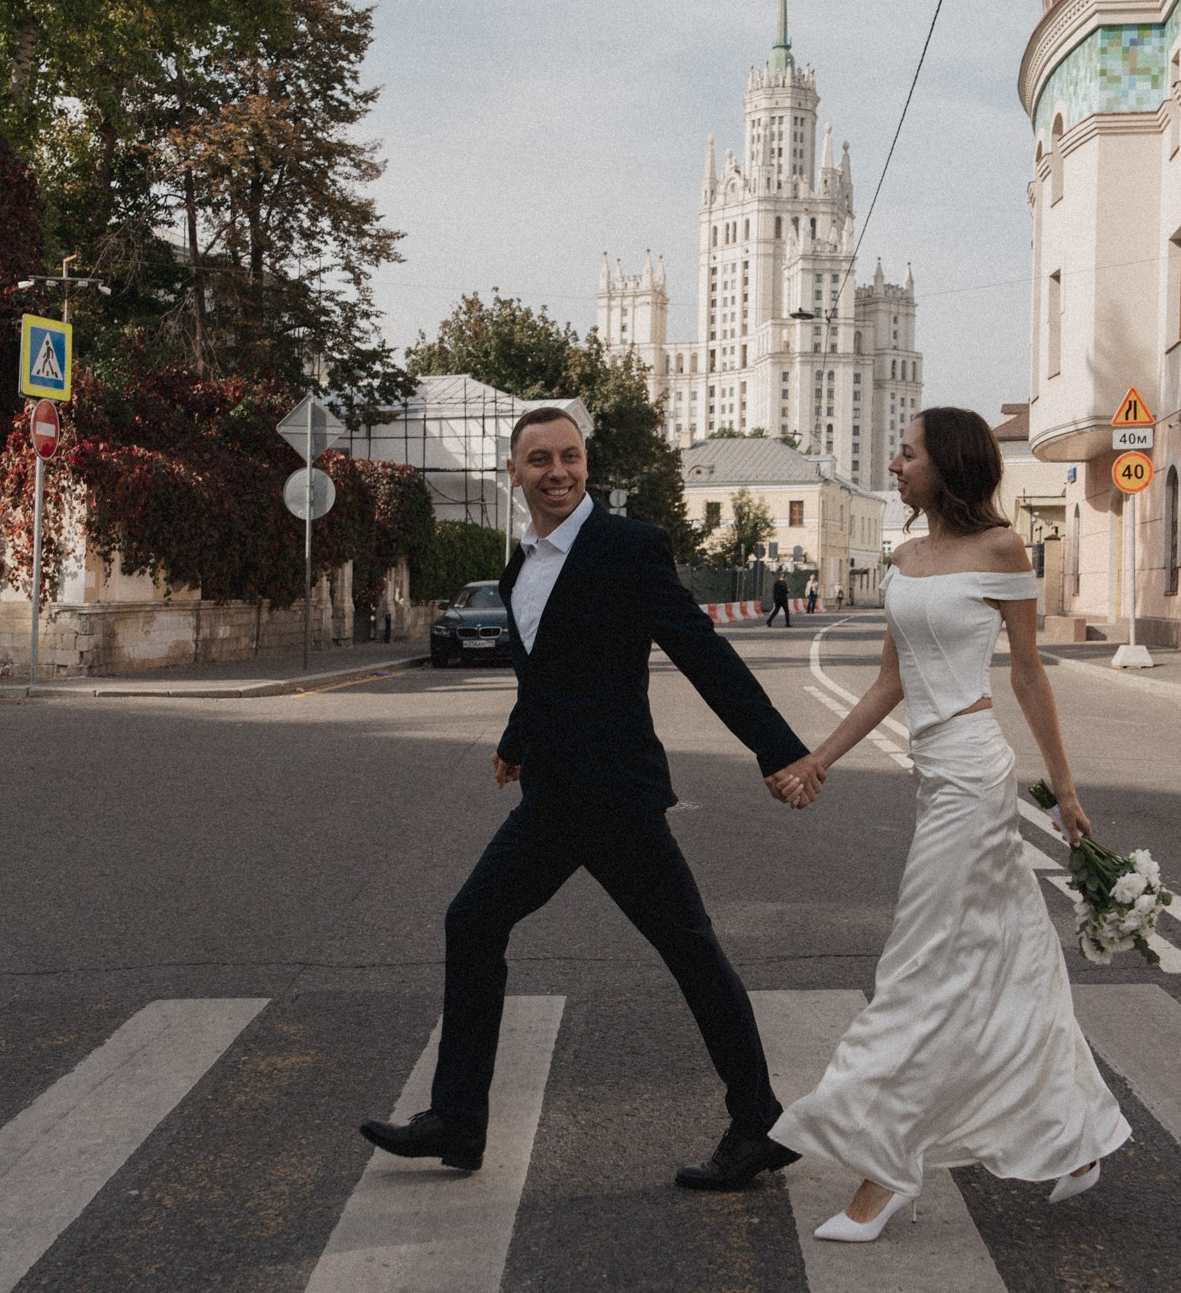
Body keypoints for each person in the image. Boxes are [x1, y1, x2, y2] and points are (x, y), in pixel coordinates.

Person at [358, 405, 812, 1190]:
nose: (557, 472)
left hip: (613, 799)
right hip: (554, 796)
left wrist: (777, 748)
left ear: (587, 467)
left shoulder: (628, 548)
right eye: (540, 460)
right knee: (473, 923)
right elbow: (548, 674)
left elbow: (701, 654)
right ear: (515, 473)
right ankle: (459, 1120)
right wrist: (513, 740)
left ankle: (759, 1120)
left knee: (689, 950)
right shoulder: (520, 565)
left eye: (570, 457)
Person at [762, 405, 1128, 1242]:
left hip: (973, 774)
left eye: (907, 452)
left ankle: (883, 1172)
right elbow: (892, 680)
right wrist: (821, 759)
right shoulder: (904, 556)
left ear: (949, 466)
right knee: (1012, 959)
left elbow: (1030, 676)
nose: (895, 463)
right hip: (935, 774)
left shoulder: (1002, 550)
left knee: (918, 970)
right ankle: (1072, 1138)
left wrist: (1066, 791)